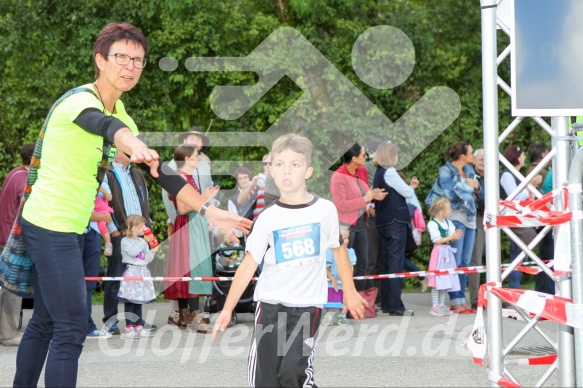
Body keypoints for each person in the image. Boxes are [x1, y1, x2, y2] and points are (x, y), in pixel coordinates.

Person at [13, 22, 250, 388]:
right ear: (100, 60)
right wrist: (129, 141)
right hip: (49, 223)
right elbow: (103, 125)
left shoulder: (122, 113)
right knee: (71, 326)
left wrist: (209, 209)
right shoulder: (79, 101)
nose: (130, 66)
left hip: (73, 226)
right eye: (121, 57)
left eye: (138, 60)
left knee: (46, 320)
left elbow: (163, 174)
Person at [213, 134, 366, 388]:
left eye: (295, 165)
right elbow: (249, 264)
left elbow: (338, 250)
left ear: (308, 171)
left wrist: (349, 292)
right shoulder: (267, 217)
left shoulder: (324, 210)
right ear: (271, 171)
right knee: (266, 379)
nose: (287, 171)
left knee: (294, 374)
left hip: (307, 306)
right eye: (280, 164)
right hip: (270, 304)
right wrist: (227, 309)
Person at [101, 150, 155, 335]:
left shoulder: (137, 173)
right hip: (119, 232)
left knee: (138, 277)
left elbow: (144, 201)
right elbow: (103, 203)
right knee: (116, 276)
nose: (132, 153)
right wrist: (113, 231)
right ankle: (110, 320)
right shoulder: (107, 173)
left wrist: (146, 229)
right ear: (118, 155)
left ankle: (137, 321)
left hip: (139, 233)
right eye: (127, 151)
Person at [164, 144, 214, 332]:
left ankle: (184, 315)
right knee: (193, 268)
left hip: (193, 224)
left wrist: (205, 198)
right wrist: (204, 197)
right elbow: (183, 208)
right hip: (187, 224)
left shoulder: (189, 177)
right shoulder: (179, 178)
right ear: (186, 159)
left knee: (189, 268)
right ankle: (195, 316)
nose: (198, 159)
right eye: (195, 156)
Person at [330, 143, 386, 291]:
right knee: (344, 265)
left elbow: (366, 193)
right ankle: (343, 301)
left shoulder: (362, 170)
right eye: (363, 155)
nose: (366, 157)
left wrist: (374, 196)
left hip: (361, 223)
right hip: (345, 226)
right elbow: (341, 205)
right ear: (354, 158)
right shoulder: (338, 177)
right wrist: (366, 199)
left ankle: (359, 302)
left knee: (364, 264)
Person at [373, 143, 418, 316]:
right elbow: (406, 192)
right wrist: (412, 187)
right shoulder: (390, 172)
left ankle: (386, 303)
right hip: (395, 222)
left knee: (386, 264)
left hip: (383, 221)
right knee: (395, 265)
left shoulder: (378, 173)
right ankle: (395, 306)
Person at [437, 141, 480, 313]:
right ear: (463, 156)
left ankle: (461, 299)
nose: (473, 156)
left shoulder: (469, 170)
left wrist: (475, 187)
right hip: (455, 218)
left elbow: (478, 189)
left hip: (470, 218)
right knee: (455, 261)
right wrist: (469, 188)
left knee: (465, 261)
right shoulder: (445, 171)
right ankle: (455, 300)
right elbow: (450, 196)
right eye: (471, 153)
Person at [0, 143, 34, 347]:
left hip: (4, 236)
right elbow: (27, 213)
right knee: (12, 286)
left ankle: (6, 331)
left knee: (4, 286)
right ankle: (10, 333)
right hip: (12, 240)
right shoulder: (25, 181)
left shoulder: (14, 173)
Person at [500, 145, 542, 290]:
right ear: (517, 157)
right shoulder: (507, 175)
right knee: (518, 255)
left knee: (519, 255)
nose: (524, 157)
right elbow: (515, 197)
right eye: (522, 155)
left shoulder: (516, 174)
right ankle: (514, 288)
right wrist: (530, 186)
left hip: (520, 217)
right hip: (513, 218)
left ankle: (514, 288)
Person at [118, 215, 157, 339]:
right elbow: (133, 253)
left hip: (142, 271)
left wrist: (153, 251)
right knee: (130, 300)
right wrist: (145, 242)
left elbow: (146, 259)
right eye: (142, 226)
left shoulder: (142, 241)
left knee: (139, 300)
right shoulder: (125, 241)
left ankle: (139, 326)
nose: (144, 229)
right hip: (131, 272)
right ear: (134, 228)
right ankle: (129, 327)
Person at [526, 143, 555, 295]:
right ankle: (548, 292)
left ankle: (543, 291)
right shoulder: (543, 172)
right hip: (546, 218)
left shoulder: (544, 172)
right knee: (549, 258)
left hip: (542, 218)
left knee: (545, 258)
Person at [427, 197, 462, 317]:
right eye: (448, 209)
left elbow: (449, 240)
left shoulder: (448, 223)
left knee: (444, 280)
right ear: (441, 211)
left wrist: (455, 237)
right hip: (439, 253)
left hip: (447, 252)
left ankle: (441, 305)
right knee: (438, 280)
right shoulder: (432, 224)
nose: (450, 211)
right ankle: (435, 306)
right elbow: (437, 240)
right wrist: (451, 237)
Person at [321, 225, 357, 326]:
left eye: (347, 238)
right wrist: (332, 279)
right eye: (343, 238)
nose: (346, 241)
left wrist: (348, 281)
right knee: (333, 300)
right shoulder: (329, 252)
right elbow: (326, 269)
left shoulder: (351, 252)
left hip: (343, 283)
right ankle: (328, 317)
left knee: (343, 300)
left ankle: (342, 317)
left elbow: (351, 268)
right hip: (332, 283)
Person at [468, 148, 485, 310]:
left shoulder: (492, 175)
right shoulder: (469, 176)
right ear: (473, 160)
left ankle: (494, 297)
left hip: (491, 221)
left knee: (495, 260)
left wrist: (479, 192)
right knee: (475, 261)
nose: (484, 162)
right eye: (480, 159)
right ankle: (475, 299)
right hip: (476, 219)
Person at [93, 183, 114, 256]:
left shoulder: (104, 184)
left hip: (102, 209)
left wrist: (103, 191)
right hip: (94, 209)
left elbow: (110, 198)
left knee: (101, 225)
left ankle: (108, 244)